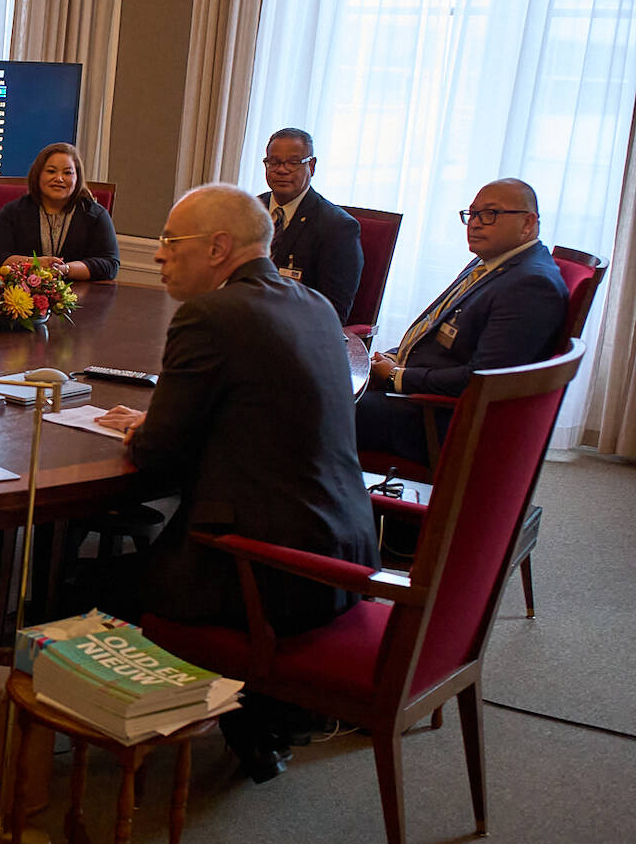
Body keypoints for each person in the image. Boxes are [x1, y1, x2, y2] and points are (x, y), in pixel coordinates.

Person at [95, 184, 377, 782]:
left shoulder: (210, 315)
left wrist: (146, 431)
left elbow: (159, 456)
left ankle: (207, 726)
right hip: (344, 554)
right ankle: (264, 718)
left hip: (266, 577)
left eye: (172, 242)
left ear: (219, 247)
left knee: (85, 585)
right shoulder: (312, 304)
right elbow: (262, 412)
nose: (160, 255)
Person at [357, 178, 568, 464]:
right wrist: (394, 359)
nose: (476, 224)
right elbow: (437, 330)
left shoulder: (531, 285)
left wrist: (398, 376)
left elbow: (483, 379)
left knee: (318, 411)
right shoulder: (488, 263)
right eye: (472, 214)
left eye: (490, 214)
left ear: (528, 223)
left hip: (440, 421)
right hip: (420, 393)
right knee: (317, 388)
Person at [256, 127, 362, 321]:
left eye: (293, 162)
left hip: (296, 333)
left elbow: (333, 313)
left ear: (311, 166)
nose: (282, 169)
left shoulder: (336, 227)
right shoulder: (250, 211)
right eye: (274, 162)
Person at [0, 142, 119, 280]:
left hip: (80, 297)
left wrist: (65, 269)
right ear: (38, 175)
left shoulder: (95, 215)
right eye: (51, 171)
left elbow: (110, 264)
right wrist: (36, 264)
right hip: (22, 295)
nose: (59, 179)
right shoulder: (13, 212)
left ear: (77, 178)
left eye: (67, 173)